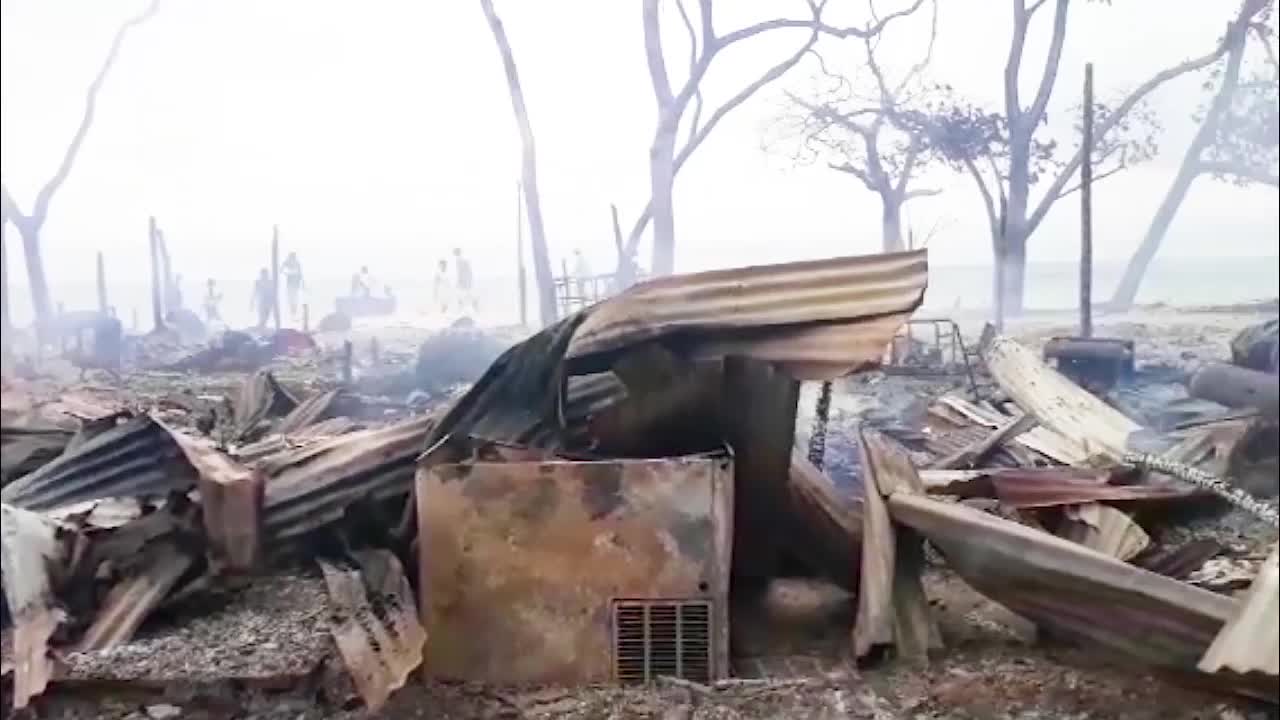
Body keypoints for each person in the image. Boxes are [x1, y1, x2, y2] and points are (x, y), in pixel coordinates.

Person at [453, 248, 476, 314]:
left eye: (456, 253)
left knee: (463, 295)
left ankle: (466, 309)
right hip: (465, 280)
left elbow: (461, 271)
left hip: (465, 281)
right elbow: (463, 271)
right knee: (464, 295)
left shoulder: (460, 260)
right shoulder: (460, 260)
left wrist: (460, 280)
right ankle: (463, 309)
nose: (455, 254)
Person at [281, 252, 304, 318]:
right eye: (292, 257)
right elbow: (281, 269)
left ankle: (294, 311)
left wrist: (301, 283)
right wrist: (287, 273)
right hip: (290, 281)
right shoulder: (287, 262)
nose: (293, 258)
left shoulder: (297, 263)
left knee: (294, 297)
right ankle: (292, 311)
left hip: (295, 282)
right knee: (291, 296)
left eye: (293, 257)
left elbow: (300, 273)